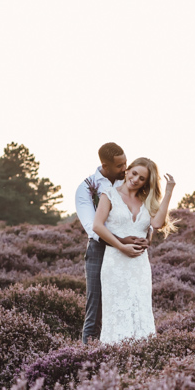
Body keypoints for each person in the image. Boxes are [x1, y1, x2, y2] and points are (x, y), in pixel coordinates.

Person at [90, 157, 174, 344]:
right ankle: (113, 361)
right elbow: (97, 226)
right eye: (134, 173)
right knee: (117, 312)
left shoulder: (146, 200)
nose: (136, 179)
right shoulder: (109, 194)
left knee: (141, 310)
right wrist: (121, 246)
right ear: (127, 171)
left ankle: (142, 360)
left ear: (147, 182)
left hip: (139, 267)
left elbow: (157, 223)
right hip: (115, 264)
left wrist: (168, 192)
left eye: (142, 178)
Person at [72, 143, 138, 344]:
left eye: (126, 162)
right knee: (96, 307)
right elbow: (93, 227)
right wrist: (120, 241)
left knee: (128, 304)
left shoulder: (128, 182)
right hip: (100, 250)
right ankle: (86, 358)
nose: (125, 169)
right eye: (120, 165)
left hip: (127, 249)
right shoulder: (85, 187)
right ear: (105, 165)